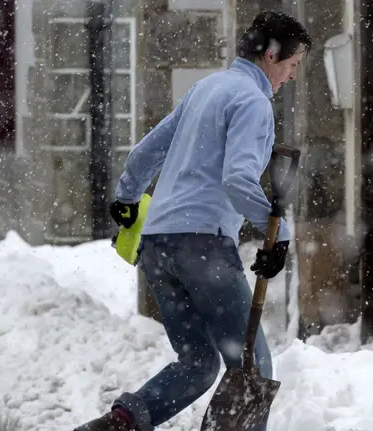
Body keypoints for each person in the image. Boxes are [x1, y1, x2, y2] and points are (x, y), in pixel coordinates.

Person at [73, 10, 312, 431]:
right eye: (291, 65)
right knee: (253, 367)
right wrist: (280, 237)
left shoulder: (207, 88)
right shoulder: (253, 102)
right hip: (203, 246)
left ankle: (121, 422)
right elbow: (238, 179)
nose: (291, 77)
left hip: (158, 246)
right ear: (272, 56)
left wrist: (128, 196)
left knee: (198, 363)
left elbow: (150, 148)